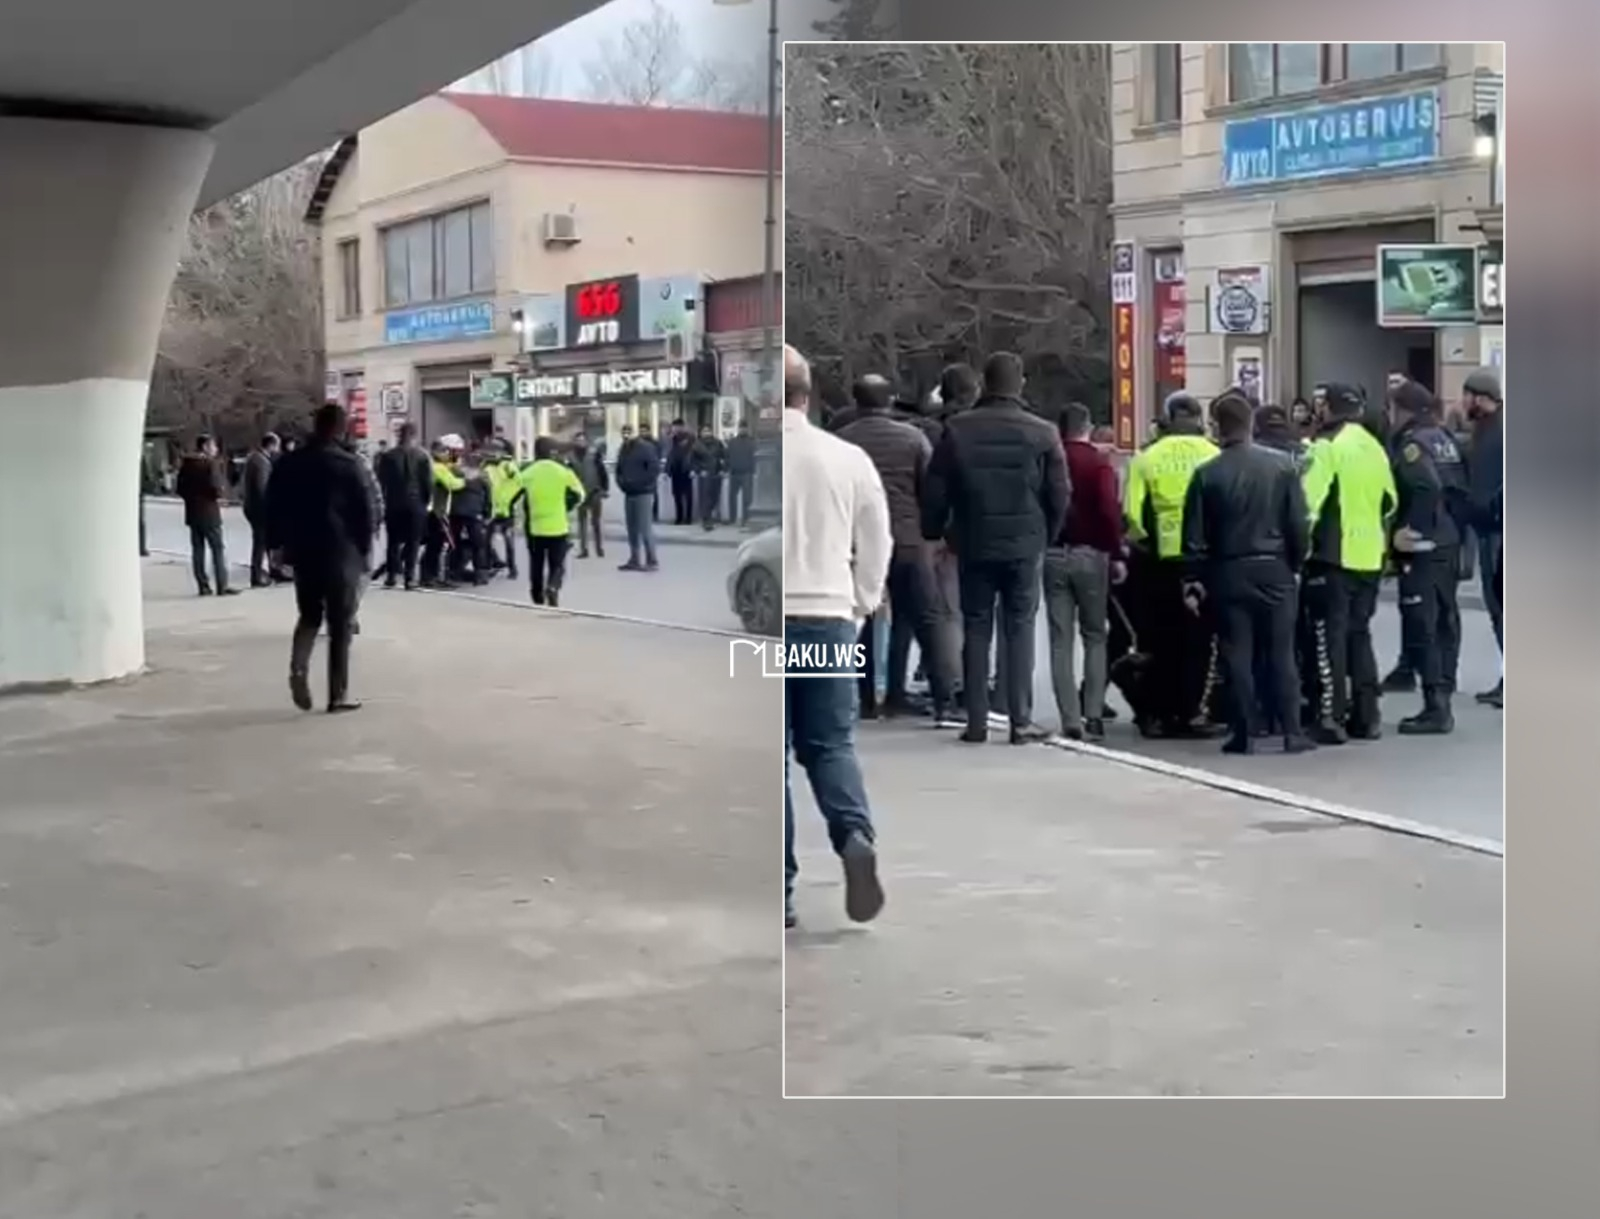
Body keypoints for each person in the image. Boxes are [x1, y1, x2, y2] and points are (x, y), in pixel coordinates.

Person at [783, 344, 891, 931]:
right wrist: (861, 606)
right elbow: (878, 541)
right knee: (830, 744)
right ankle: (854, 836)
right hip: (827, 615)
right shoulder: (847, 457)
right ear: (808, 393)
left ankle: (778, 890)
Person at [922, 351, 1069, 745]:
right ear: (1019, 384)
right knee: (1019, 628)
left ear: (985, 384)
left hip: (973, 541)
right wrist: (1046, 535)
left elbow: (936, 489)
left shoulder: (958, 429)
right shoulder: (1043, 432)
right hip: (1025, 543)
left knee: (976, 627)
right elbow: (1059, 493)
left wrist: (936, 531)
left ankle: (976, 721)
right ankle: (1020, 721)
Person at [1182, 393, 1313, 755]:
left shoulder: (1207, 473)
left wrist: (1192, 579)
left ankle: (1245, 732)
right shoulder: (1283, 467)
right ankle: (1292, 731)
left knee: (1237, 653)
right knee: (1282, 651)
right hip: (1275, 568)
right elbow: (1298, 523)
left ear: (1216, 427)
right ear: (1251, 423)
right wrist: (1296, 563)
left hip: (1228, 570)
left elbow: (1194, 535)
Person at [838, 374, 957, 726]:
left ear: (856, 401)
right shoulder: (913, 438)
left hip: (859, 545)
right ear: (889, 401)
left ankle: (866, 701)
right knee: (927, 620)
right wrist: (934, 533)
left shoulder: (842, 443)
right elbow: (932, 490)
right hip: (908, 541)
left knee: (865, 620)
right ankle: (942, 702)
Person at [1299, 383, 1397, 743]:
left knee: (1328, 638)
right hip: (1369, 556)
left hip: (1331, 555)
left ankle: (1330, 716)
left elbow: (1308, 504)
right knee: (1360, 634)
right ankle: (1367, 716)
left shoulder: (1327, 446)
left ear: (1330, 408)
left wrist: (1299, 548)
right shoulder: (1374, 447)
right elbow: (1390, 502)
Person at [264, 403, 375, 714]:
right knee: (340, 623)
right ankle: (338, 695)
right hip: (341, 553)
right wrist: (365, 550)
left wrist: (275, 546)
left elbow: (273, 505)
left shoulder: (290, 463)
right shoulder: (350, 464)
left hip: (304, 550)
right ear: (341, 428)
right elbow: (364, 513)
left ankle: (298, 667)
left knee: (310, 614)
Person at [1122, 393, 1220, 737]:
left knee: (1156, 639)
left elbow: (1132, 515)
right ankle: (1192, 711)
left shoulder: (1145, 458)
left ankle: (1156, 714)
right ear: (1199, 419)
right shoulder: (1214, 455)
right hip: (1203, 559)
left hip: (1157, 561)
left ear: (1166, 419)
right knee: (1198, 641)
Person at [1044, 403, 1125, 741]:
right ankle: (1093, 713)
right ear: (1087, 427)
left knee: (1060, 640)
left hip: (1053, 553)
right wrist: (1116, 550)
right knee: (1095, 635)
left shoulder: (1048, 460)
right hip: (1092, 555)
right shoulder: (1098, 463)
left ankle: (1069, 718)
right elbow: (1108, 509)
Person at [1387, 380, 1465, 734]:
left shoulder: (1413, 446)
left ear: (1403, 410)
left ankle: (1436, 706)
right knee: (1447, 619)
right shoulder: (1444, 438)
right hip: (1448, 540)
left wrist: (1412, 532)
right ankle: (1444, 692)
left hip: (1425, 546)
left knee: (1424, 623)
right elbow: (1459, 488)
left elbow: (1426, 486)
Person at [927, 363, 979, 704]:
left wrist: (934, 530)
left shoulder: (936, 429)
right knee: (986, 613)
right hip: (988, 529)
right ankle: (986, 682)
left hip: (950, 532)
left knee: (950, 612)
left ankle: (956, 683)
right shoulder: (979, 425)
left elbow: (935, 485)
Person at [1461, 367, 1504, 708]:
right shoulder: (1484, 430)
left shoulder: (1498, 432)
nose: (1462, 402)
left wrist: (1487, 508)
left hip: (1497, 531)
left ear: (1480, 397)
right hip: (1489, 527)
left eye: (1466, 395)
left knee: (1502, 607)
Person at [517, 436, 587, 607]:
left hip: (535, 526)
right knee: (557, 564)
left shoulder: (528, 471)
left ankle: (537, 595)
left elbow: (512, 492)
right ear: (552, 452)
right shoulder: (562, 471)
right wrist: (566, 506)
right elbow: (580, 494)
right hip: (558, 525)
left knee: (536, 562)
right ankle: (553, 586)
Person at [174, 434, 236, 597]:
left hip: (193, 513)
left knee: (198, 550)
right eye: (213, 446)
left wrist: (192, 499)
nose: (215, 450)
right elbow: (215, 487)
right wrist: (218, 496)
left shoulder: (186, 465)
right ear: (205, 447)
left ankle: (203, 585)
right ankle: (222, 585)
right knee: (217, 549)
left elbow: (179, 489)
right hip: (209, 512)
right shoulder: (209, 465)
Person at [373, 422, 433, 590]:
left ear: (400, 435)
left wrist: (384, 500)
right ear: (414, 435)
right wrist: (426, 501)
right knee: (413, 541)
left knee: (393, 541)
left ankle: (391, 576)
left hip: (394, 503)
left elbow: (381, 480)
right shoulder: (422, 456)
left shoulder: (388, 456)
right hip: (416, 503)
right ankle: (409, 578)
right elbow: (427, 482)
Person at [615, 423, 662, 571]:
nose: (626, 434)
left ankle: (652, 560)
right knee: (632, 528)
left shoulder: (645, 448)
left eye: (629, 431)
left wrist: (642, 483)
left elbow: (654, 469)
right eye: (624, 432)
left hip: (644, 492)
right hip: (629, 493)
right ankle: (634, 558)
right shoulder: (623, 449)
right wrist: (622, 483)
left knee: (644, 527)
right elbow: (619, 470)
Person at [420, 440, 464, 587]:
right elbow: (452, 483)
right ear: (435, 452)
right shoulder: (438, 468)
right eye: (443, 451)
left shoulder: (435, 466)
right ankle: (433, 577)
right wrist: (466, 481)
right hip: (438, 512)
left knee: (436, 545)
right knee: (439, 545)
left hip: (435, 511)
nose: (447, 454)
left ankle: (430, 576)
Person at [446, 451, 491, 585]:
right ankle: (480, 574)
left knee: (455, 543)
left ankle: (454, 571)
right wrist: (487, 513)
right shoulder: (483, 477)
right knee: (478, 544)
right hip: (474, 513)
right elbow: (488, 497)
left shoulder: (458, 474)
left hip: (456, 513)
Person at [569, 432, 609, 559]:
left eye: (583, 440)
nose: (581, 442)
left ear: (586, 442)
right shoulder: (571, 457)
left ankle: (599, 547)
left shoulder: (594, 454)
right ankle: (583, 549)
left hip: (594, 491)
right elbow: (568, 475)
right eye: (578, 440)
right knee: (582, 523)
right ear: (575, 442)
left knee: (596, 522)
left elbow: (602, 472)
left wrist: (604, 489)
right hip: (580, 493)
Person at [484, 450, 521, 578]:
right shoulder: (486, 467)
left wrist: (511, 502)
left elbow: (519, 484)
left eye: (497, 452)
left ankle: (512, 568)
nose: (494, 455)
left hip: (506, 511)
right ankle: (490, 565)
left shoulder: (508, 465)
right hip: (491, 510)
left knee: (509, 541)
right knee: (486, 540)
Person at [691, 423, 728, 531]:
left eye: (708, 431)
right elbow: (693, 461)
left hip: (716, 473)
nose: (706, 433)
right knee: (705, 497)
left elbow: (724, 457)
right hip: (704, 473)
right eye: (704, 431)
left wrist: (723, 469)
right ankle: (706, 520)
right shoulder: (697, 445)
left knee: (714, 497)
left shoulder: (717, 443)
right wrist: (698, 471)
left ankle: (710, 516)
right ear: (700, 433)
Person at [725, 419, 757, 527]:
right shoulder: (732, 442)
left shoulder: (752, 442)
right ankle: (732, 518)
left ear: (747, 429)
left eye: (744, 427)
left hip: (747, 473)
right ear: (738, 428)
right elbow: (727, 456)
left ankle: (746, 519)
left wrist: (753, 470)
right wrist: (727, 468)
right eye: (741, 427)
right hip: (734, 472)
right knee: (731, 497)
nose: (742, 429)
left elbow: (754, 457)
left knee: (747, 498)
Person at [666, 419, 695, 525]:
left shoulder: (690, 438)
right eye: (674, 427)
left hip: (686, 469)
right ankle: (679, 517)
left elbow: (693, 454)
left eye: (678, 426)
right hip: (675, 469)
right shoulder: (672, 439)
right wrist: (667, 470)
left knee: (688, 495)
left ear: (683, 427)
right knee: (676, 495)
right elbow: (670, 455)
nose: (676, 429)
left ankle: (688, 518)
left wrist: (692, 468)